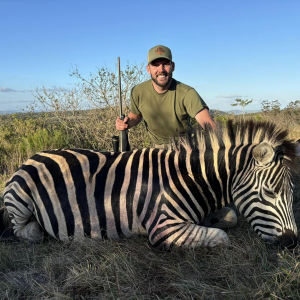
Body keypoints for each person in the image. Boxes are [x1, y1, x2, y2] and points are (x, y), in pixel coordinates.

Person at [115, 45, 216, 150]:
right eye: (156, 65)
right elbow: (136, 116)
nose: (161, 69)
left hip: (185, 149)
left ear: (173, 66)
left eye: (166, 64)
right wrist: (125, 123)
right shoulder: (137, 91)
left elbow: (209, 125)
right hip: (156, 152)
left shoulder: (187, 93)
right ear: (148, 69)